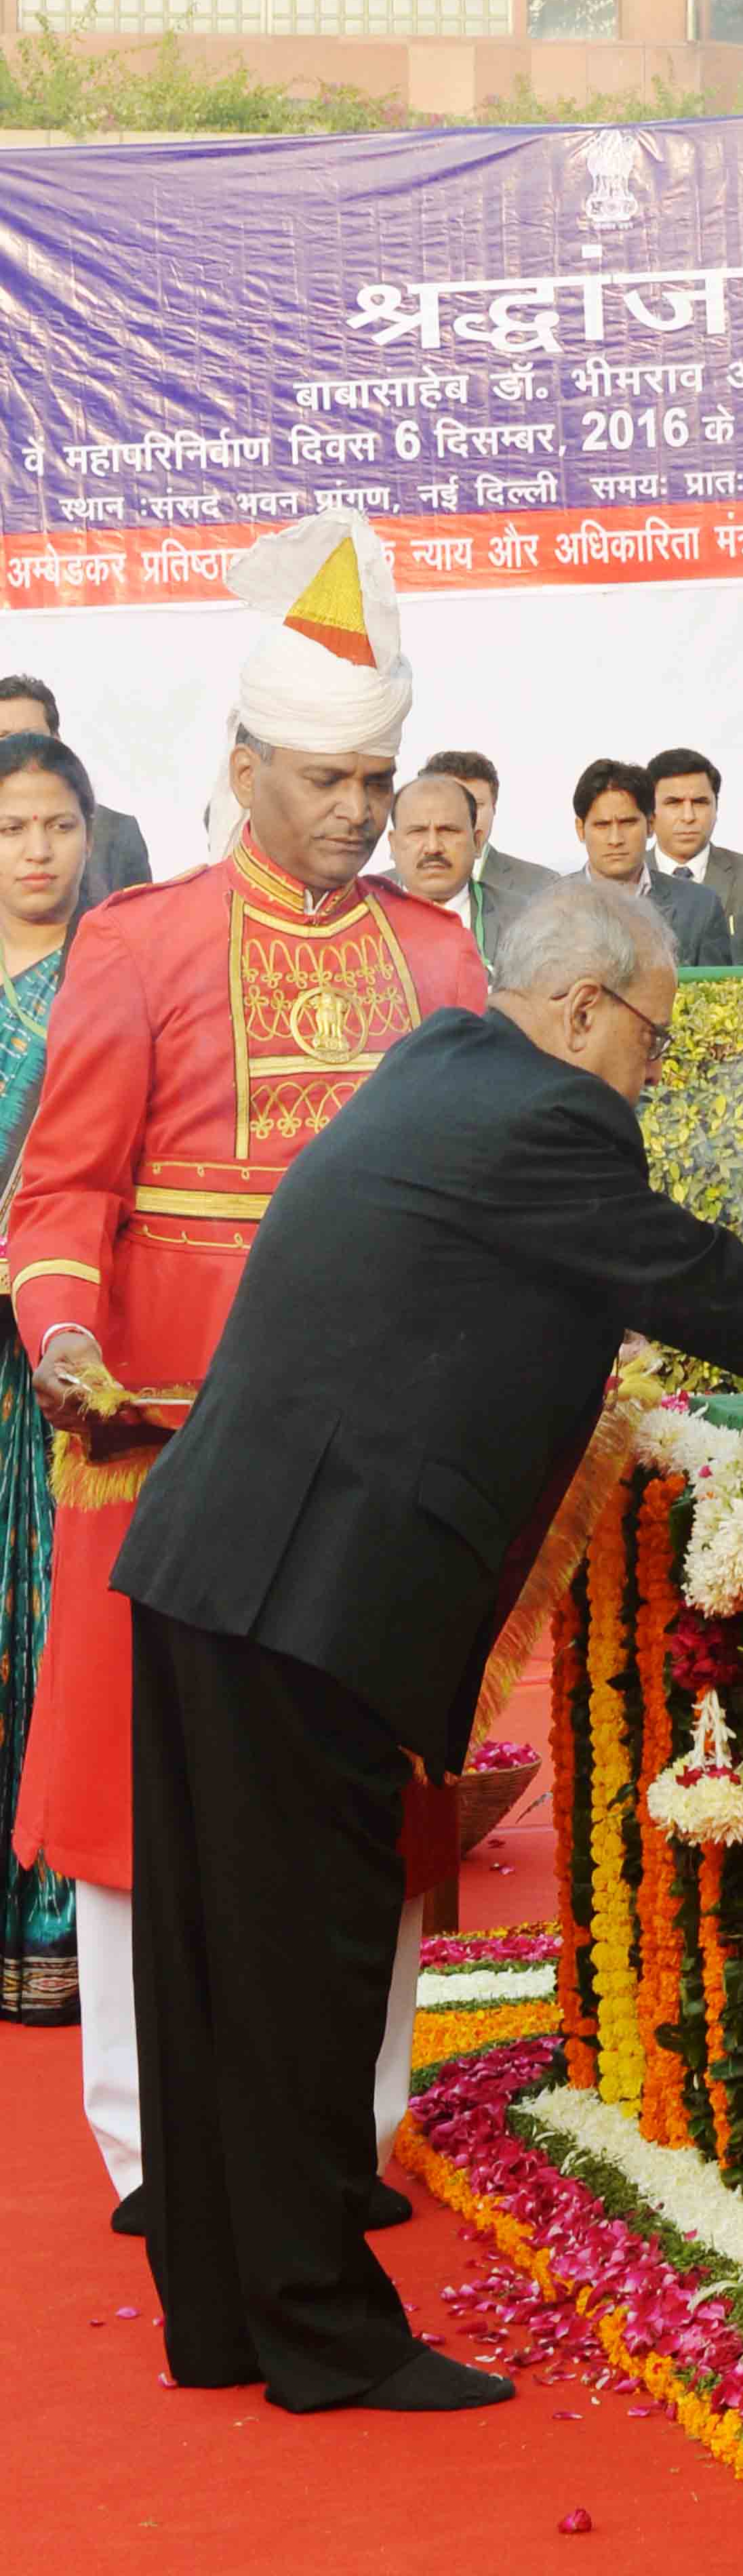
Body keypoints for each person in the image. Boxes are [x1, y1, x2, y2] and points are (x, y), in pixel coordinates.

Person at [113, 876, 743, 2416]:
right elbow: (690, 1279)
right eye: (657, 1044)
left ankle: (226, 2315)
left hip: (220, 1566)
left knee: (216, 1967)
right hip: (312, 1592)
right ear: (587, 1005)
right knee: (306, 1973)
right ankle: (323, 2337)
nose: (652, 1078)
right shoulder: (550, 1120)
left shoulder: (436, 1068)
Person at [13, 511, 486, 2227]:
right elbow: (60, 1194)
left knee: (363, 1792)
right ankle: (152, 2150)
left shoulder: (441, 961)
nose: (359, 810)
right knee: (149, 1804)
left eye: (377, 779)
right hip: (161, 1452)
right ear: (242, 766)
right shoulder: (136, 943)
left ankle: (348, 2140)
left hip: (372, 1463)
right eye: (323, 779)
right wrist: (64, 1335)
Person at [0, 731, 94, 2028]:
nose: (34, 849)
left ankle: (51, 1926)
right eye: (12, 826)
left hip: (62, 1362)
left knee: (56, 1628)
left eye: (54, 825)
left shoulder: (110, 976)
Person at [0, 676, 151, 907]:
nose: (19, 750)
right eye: (4, 739)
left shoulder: (116, 832)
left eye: (32, 737)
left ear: (57, 742)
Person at [571, 760, 735, 964]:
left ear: (650, 825)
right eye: (602, 825)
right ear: (580, 829)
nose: (615, 839)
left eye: (628, 823)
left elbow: (717, 993)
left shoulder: (700, 907)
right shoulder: (548, 906)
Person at [419, 748, 554, 968]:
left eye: (476, 805)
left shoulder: (542, 887)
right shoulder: (382, 892)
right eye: (451, 804)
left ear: (495, 808)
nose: (465, 816)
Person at [645, 746, 743, 964]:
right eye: (674, 803)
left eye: (700, 802)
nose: (688, 816)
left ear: (716, 808)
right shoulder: (622, 878)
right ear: (649, 813)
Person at [383, 773, 480, 922]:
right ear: (393, 845)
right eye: (417, 831)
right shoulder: (354, 921)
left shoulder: (520, 919)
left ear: (477, 842)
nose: (433, 847)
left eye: (448, 830)